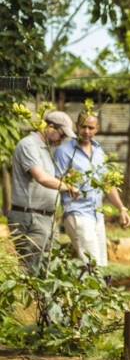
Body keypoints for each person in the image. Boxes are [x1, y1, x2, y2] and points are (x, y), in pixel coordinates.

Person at [54, 111, 130, 266]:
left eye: (91, 127)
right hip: (77, 212)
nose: (86, 131)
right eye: (83, 126)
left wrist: (121, 208)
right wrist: (69, 186)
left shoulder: (98, 152)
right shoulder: (64, 151)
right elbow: (56, 179)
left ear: (97, 128)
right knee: (91, 263)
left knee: (100, 264)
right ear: (76, 126)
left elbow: (107, 184)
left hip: (97, 215)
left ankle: (94, 290)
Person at [9, 111, 78, 273]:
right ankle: (26, 299)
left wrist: (64, 178)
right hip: (31, 218)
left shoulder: (45, 149)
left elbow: (48, 177)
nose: (62, 141)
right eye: (62, 135)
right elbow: (41, 177)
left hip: (46, 218)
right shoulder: (28, 145)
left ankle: (45, 300)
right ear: (51, 127)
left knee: (48, 270)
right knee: (29, 270)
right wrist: (67, 187)